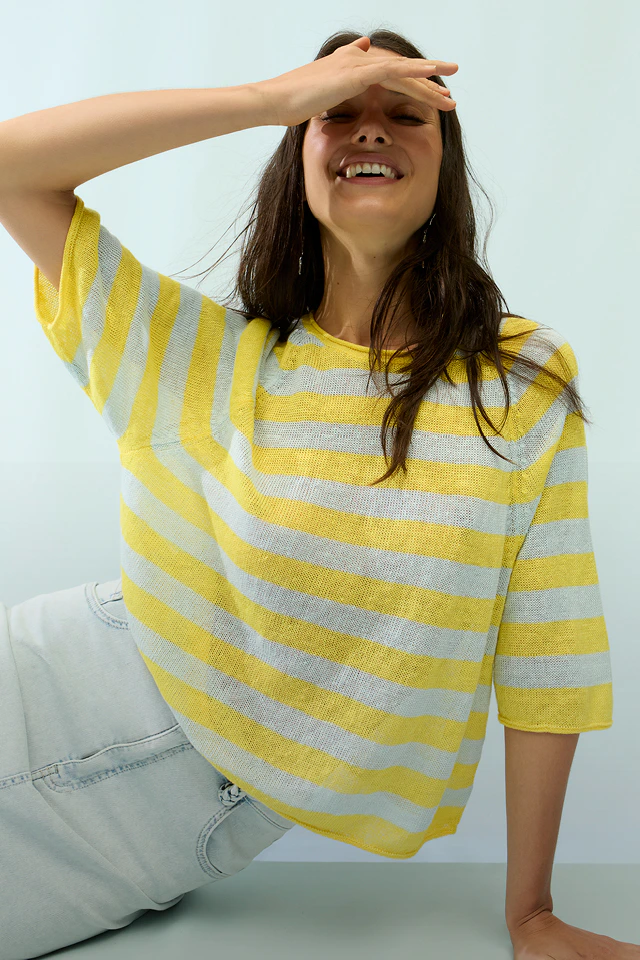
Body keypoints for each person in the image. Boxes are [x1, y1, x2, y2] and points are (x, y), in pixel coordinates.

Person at [0, 29, 627, 960]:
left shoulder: (519, 382)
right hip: (58, 687)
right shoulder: (198, 358)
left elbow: (550, 646)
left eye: (403, 114)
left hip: (181, 819)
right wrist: (267, 97)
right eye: (338, 113)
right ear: (298, 151)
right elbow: (13, 169)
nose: (369, 130)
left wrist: (531, 915)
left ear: (443, 167)